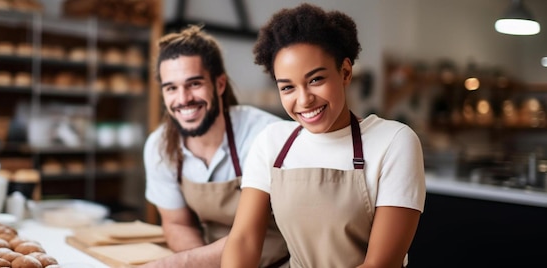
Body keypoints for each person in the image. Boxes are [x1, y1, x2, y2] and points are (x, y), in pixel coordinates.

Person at [222, 3, 426, 268]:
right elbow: (244, 240)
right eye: (287, 88)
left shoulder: (394, 142)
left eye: (316, 80)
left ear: (345, 72)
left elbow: (380, 264)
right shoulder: (272, 142)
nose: (304, 100)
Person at [140, 25, 289, 268]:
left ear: (219, 85)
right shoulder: (159, 147)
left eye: (194, 83)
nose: (183, 98)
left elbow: (251, 236)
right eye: (171, 88)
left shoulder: (263, 136)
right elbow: (178, 224)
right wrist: (201, 262)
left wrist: (174, 264)